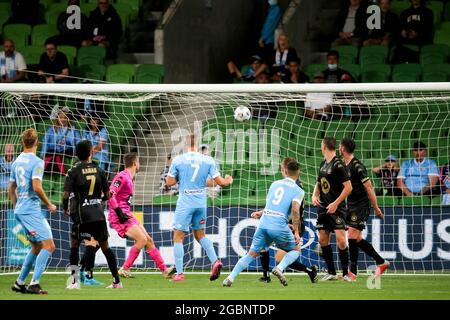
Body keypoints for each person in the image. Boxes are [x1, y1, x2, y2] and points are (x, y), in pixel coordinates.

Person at [223, 157, 304, 287]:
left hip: (263, 224)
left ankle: (230, 278)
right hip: (278, 226)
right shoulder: (299, 190)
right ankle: (280, 268)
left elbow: (270, 206)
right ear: (298, 173)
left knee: (251, 254)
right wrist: (296, 232)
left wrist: (260, 213)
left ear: (285, 171)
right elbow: (295, 210)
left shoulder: (274, 184)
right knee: (296, 249)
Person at [165, 135, 233, 282]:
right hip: (201, 203)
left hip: (185, 202)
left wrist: (181, 178)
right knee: (200, 235)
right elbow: (219, 182)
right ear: (197, 145)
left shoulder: (179, 159)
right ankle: (215, 261)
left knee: (178, 237)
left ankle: (180, 274)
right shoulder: (208, 160)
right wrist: (228, 180)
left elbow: (169, 182)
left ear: (185, 144)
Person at [62, 140, 122, 289]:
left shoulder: (73, 171)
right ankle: (117, 281)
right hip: (98, 215)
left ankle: (74, 282)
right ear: (90, 153)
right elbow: (108, 195)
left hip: (82, 215)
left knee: (75, 245)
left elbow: (65, 195)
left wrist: (65, 208)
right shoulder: (99, 170)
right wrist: (96, 200)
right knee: (106, 247)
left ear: (77, 154)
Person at [108, 153, 175, 278]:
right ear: (134, 163)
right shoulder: (121, 177)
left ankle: (165, 271)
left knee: (148, 240)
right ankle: (125, 268)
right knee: (142, 239)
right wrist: (118, 212)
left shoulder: (128, 177)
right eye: (138, 162)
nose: (139, 164)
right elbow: (110, 194)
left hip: (127, 214)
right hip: (119, 215)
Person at [10, 129, 57, 295]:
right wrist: (50, 204)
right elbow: (37, 187)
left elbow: (11, 189)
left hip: (21, 210)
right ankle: (34, 283)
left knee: (36, 247)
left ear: (23, 142)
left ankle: (19, 282)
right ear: (37, 142)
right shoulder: (37, 162)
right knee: (49, 246)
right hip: (31, 210)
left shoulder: (16, 162)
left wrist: (17, 207)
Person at [339, 138, 390, 281]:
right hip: (351, 205)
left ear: (343, 148)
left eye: (339, 146)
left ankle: (353, 273)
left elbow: (369, 187)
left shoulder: (357, 166)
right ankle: (381, 262)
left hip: (361, 205)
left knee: (351, 237)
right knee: (358, 238)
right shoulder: (343, 165)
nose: (338, 148)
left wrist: (376, 207)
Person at [258, 180, 318, 284]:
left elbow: (293, 213)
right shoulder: (295, 193)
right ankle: (266, 276)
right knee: (263, 246)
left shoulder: (294, 195)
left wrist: (295, 231)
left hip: (292, 226)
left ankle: (309, 271)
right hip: (282, 225)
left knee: (279, 258)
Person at [312, 137, 352, 281]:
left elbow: (349, 187)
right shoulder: (323, 163)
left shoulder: (338, 165)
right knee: (323, 239)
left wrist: (336, 203)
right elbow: (319, 183)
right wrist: (314, 195)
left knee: (341, 241)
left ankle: (346, 273)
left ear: (324, 146)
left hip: (337, 209)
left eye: (321, 144)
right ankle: (332, 272)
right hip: (323, 208)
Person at [41, 106, 80, 175]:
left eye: (65, 118)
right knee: (52, 152)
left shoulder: (73, 129)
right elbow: (45, 142)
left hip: (68, 152)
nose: (63, 120)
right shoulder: (51, 129)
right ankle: (58, 169)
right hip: (54, 152)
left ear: (68, 119)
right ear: (57, 118)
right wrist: (43, 155)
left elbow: (78, 143)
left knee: (64, 153)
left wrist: (78, 154)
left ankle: (62, 170)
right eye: (61, 117)